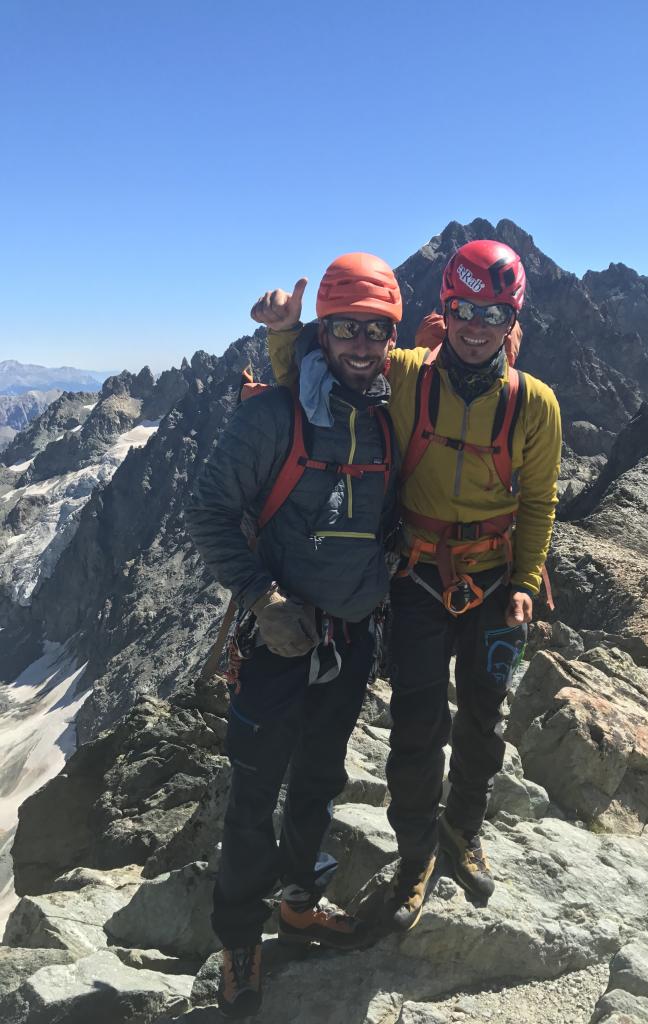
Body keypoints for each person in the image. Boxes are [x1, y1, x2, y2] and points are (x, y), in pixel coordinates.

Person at [260, 239, 561, 932]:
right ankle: (416, 853)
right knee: (417, 726)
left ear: (513, 319)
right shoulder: (403, 374)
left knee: (484, 722)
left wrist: (524, 579)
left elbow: (541, 501)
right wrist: (284, 334)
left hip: (495, 583)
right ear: (444, 309)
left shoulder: (535, 404)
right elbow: (320, 379)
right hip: (418, 577)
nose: (476, 327)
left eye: (493, 313)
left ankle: (463, 830)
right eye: (464, 310)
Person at [185, 252, 401, 1019]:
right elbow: (209, 510)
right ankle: (239, 941)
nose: (361, 345)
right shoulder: (272, 416)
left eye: (376, 331)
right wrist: (261, 596)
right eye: (345, 329)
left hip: (349, 640)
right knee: (254, 793)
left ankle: (300, 903)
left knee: (317, 780)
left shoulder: (390, 419)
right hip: (276, 643)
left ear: (392, 337)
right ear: (322, 331)